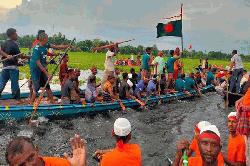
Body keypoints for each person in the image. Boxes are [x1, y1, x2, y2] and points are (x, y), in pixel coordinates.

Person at [30, 32, 71, 104]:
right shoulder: (36, 49)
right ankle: (31, 103)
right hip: (36, 69)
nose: (48, 39)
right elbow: (38, 64)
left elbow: (56, 47)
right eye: (47, 38)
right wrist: (47, 73)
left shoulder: (46, 45)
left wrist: (67, 46)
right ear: (43, 39)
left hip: (43, 67)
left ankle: (52, 101)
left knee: (47, 85)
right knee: (36, 87)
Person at [6, 134, 86, 166]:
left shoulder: (60, 164)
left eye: (31, 157)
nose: (29, 165)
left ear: (37, 150)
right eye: (21, 165)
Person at [0, 28, 28, 100]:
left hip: (5, 67)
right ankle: (17, 100)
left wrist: (6, 55)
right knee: (14, 84)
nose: (17, 35)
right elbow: (19, 56)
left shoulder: (3, 43)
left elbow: (1, 51)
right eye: (16, 34)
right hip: (13, 68)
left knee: (1, 84)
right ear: (12, 35)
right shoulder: (14, 44)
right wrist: (28, 57)